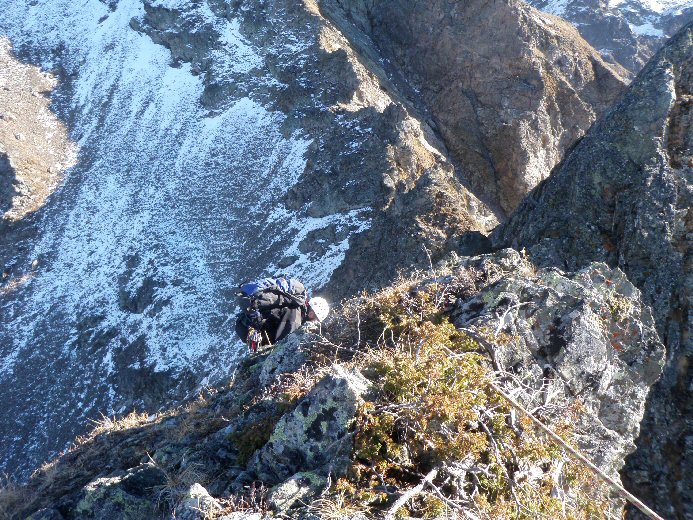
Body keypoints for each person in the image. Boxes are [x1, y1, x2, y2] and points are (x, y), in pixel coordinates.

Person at [234, 276, 329, 352]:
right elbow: (283, 343)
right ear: (312, 314)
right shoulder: (295, 317)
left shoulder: (292, 305)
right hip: (249, 329)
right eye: (315, 320)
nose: (314, 323)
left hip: (244, 325)